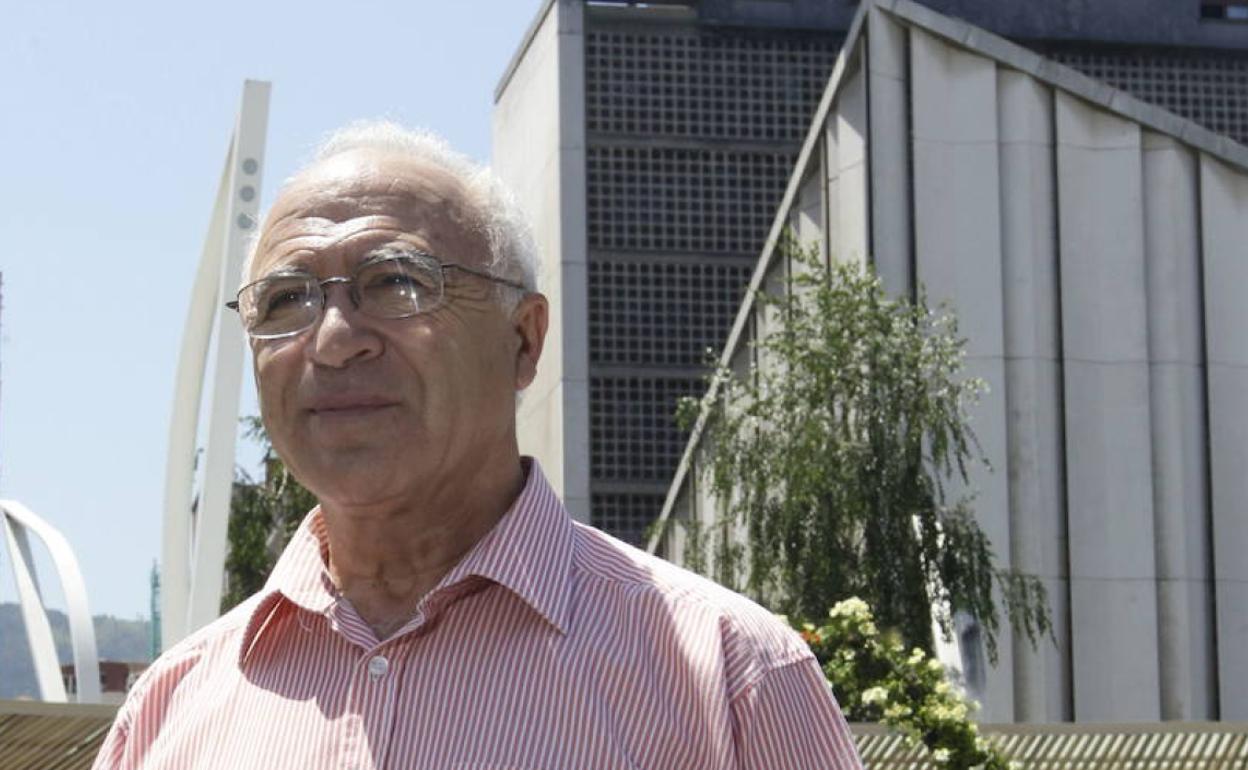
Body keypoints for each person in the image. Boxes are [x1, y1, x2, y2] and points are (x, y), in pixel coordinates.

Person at [92, 121, 864, 770]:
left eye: (396, 282)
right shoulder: (169, 711)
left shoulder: (729, 678)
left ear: (523, 339)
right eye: (286, 300)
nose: (332, 341)